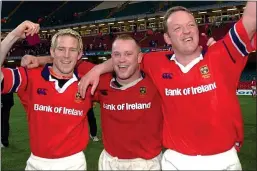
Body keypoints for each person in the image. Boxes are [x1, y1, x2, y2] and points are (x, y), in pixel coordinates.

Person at [75, 1, 256, 170]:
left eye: (191, 25)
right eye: (177, 28)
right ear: (167, 38)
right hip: (176, 161)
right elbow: (126, 58)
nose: (186, 31)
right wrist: (97, 69)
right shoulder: (156, 63)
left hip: (222, 160)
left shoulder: (223, 54)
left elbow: (251, 17)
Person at [22, 34, 164, 170]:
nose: (122, 59)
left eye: (128, 54)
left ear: (139, 57)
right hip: (110, 161)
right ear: (111, 57)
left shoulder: (156, 81)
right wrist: (40, 59)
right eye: (117, 54)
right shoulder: (101, 81)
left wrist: (98, 68)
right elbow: (67, 58)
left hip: (147, 163)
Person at [1, 21, 95, 170]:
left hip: (73, 163)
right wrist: (13, 36)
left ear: (80, 55)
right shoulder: (30, 76)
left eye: (72, 50)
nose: (66, 55)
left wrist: (98, 70)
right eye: (61, 49)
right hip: (36, 163)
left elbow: (124, 64)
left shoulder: (89, 81)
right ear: (52, 52)